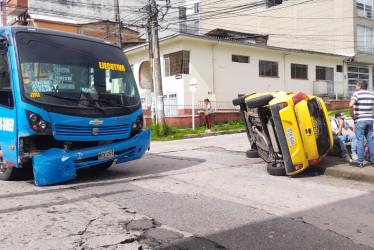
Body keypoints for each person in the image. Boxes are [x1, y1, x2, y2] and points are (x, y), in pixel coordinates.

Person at [349, 80, 374, 167]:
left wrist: (352, 115)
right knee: (371, 140)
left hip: (360, 120)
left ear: (360, 86)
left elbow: (350, 105)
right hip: (369, 120)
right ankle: (373, 161)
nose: (356, 87)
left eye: (356, 85)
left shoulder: (357, 94)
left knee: (360, 140)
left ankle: (360, 162)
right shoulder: (371, 94)